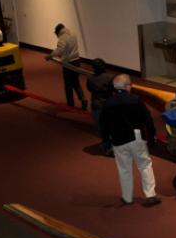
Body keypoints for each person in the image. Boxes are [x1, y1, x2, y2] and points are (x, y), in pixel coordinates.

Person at [99, 75, 161, 207]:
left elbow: (103, 124)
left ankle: (127, 197)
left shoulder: (108, 103)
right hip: (136, 137)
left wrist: (105, 141)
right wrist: (152, 136)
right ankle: (150, 195)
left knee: (124, 169)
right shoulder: (135, 99)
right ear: (127, 85)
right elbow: (147, 119)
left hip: (118, 140)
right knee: (145, 165)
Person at [45, 23, 87, 109]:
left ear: (57, 31)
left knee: (68, 85)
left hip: (68, 64)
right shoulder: (73, 33)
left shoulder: (62, 38)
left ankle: (70, 103)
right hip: (77, 61)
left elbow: (59, 51)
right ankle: (83, 99)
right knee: (76, 82)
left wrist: (50, 56)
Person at [86, 58, 115, 154]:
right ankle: (114, 146)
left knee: (102, 128)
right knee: (112, 126)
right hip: (109, 105)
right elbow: (113, 90)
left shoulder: (90, 78)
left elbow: (89, 89)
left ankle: (107, 146)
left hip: (97, 105)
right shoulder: (110, 77)